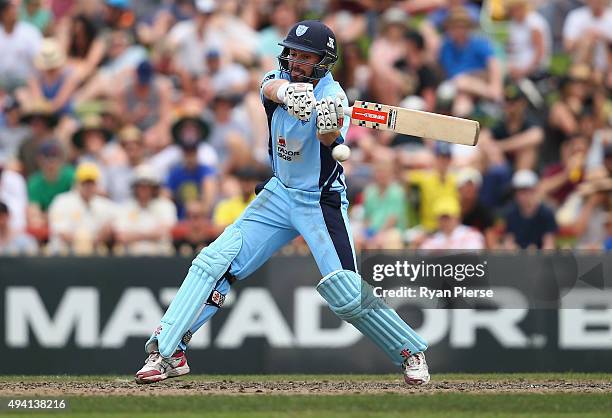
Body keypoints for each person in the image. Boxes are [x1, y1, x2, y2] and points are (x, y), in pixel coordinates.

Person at [135, 20, 430, 386]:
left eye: (305, 57)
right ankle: (167, 351)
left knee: (345, 291)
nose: (295, 61)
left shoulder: (334, 95)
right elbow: (269, 88)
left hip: (318, 201)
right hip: (278, 193)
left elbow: (330, 141)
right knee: (213, 261)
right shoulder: (277, 79)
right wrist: (288, 94)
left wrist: (328, 122)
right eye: (292, 53)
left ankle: (409, 351)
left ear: (322, 61)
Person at [47, 162, 116, 254]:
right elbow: (61, 233)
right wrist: (89, 242)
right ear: (77, 183)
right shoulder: (61, 201)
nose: (88, 187)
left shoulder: (104, 204)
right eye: (85, 183)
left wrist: (107, 229)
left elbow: (118, 221)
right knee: (82, 236)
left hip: (94, 254)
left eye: (91, 183)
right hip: (64, 254)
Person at [114, 164, 177, 255]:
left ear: (154, 187)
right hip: (130, 260)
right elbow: (121, 236)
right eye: (140, 185)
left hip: (161, 259)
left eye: (147, 185)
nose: (144, 189)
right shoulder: (125, 207)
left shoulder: (166, 205)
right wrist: (151, 235)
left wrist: (134, 235)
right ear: (135, 187)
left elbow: (164, 232)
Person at [503, 169, 558, 250]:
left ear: (535, 190)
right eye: (519, 191)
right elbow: (509, 241)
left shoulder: (546, 214)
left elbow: (549, 245)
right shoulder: (511, 213)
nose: (522, 196)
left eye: (526, 191)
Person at [419, 196, 485, 250]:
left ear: (457, 217)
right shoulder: (431, 241)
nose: (445, 222)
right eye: (442, 218)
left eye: (448, 217)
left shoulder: (471, 234)